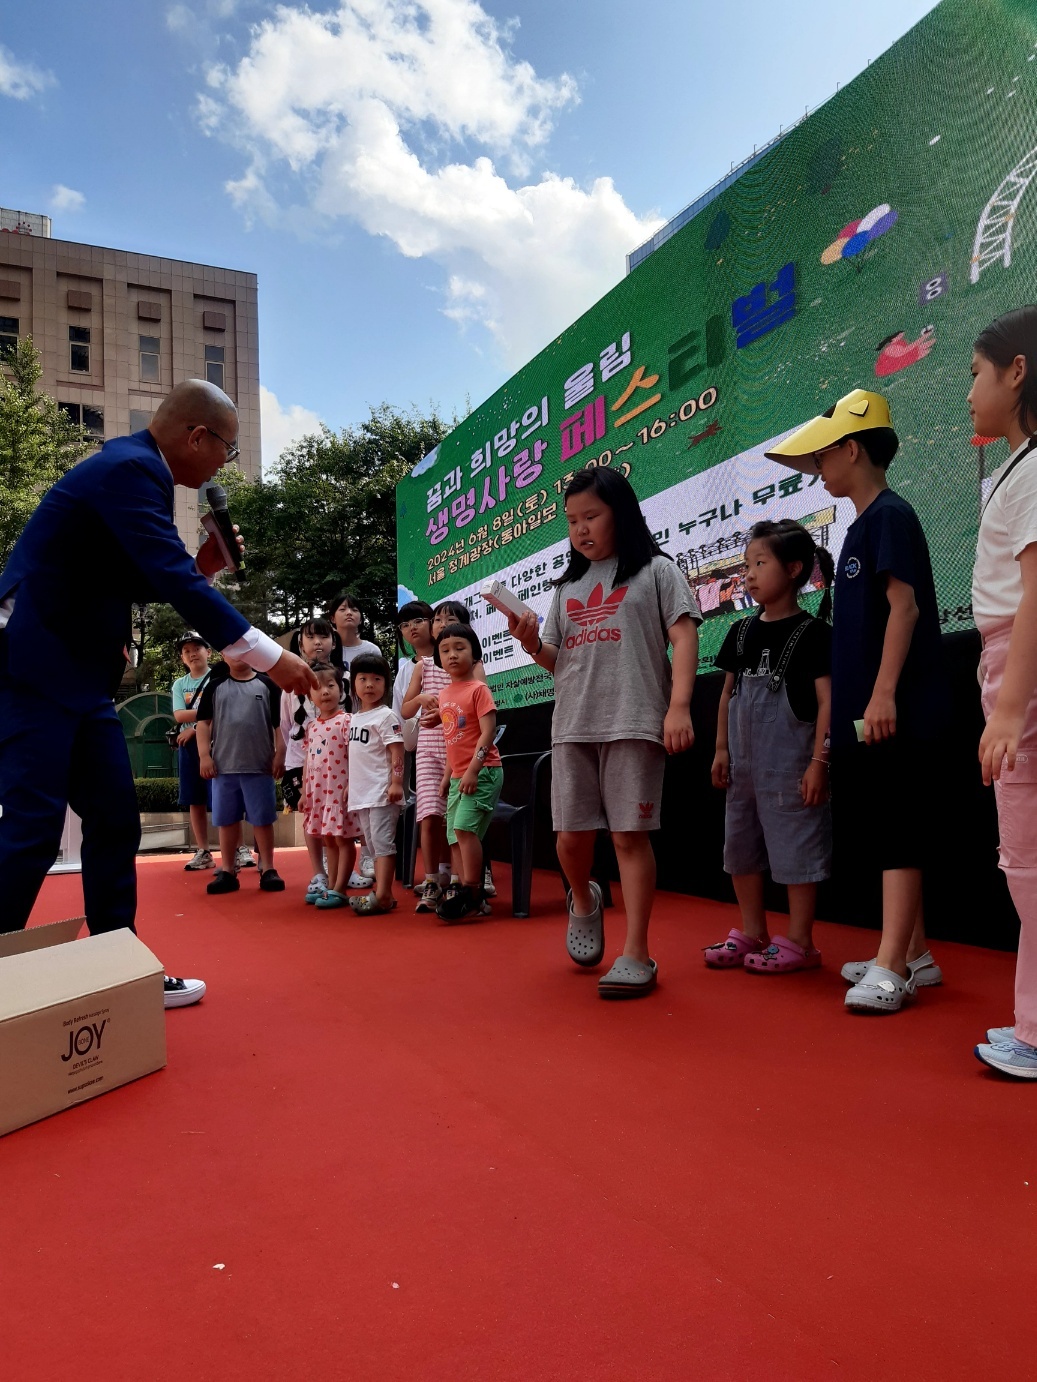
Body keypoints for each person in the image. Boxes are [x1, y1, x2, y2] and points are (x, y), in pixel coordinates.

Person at [0, 379, 316, 1007]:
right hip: (34, 669)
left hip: (81, 681)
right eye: (225, 448)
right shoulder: (130, 470)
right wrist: (271, 656)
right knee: (33, 827)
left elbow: (141, 577)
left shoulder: (135, 470)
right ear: (196, 436)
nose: (225, 462)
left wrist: (205, 564)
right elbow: (168, 578)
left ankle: (119, 969)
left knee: (115, 820)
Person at [765, 388, 948, 1013]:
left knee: (898, 829)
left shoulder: (889, 516)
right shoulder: (863, 525)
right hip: (868, 713)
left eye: (822, 458)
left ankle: (892, 966)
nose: (817, 470)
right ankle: (914, 955)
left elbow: (905, 607)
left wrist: (884, 694)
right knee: (887, 825)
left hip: (893, 707)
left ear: (851, 449)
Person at [508, 468, 701, 999]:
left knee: (628, 837)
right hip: (572, 725)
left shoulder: (658, 570)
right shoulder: (565, 588)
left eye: (591, 516)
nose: (580, 529)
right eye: (572, 520)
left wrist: (679, 706)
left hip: (634, 719)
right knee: (571, 840)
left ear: (622, 512)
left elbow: (685, 638)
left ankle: (636, 952)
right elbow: (556, 660)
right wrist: (530, 643)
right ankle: (584, 898)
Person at [707, 520, 834, 972]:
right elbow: (727, 694)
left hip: (791, 766)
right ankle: (752, 930)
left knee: (796, 847)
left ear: (794, 569)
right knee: (740, 846)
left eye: (760, 563)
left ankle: (801, 941)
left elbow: (828, 701)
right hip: (742, 766)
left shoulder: (814, 633)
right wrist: (721, 750)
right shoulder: (740, 631)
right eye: (747, 565)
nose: (749, 574)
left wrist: (819, 763)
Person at [968, 307, 1037, 1078]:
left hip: (1018, 661)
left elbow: (1033, 592)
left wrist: (1010, 707)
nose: (968, 393)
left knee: (1025, 860)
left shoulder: (1031, 467)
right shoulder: (1018, 466)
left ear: (1016, 371)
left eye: (975, 374)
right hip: (1009, 658)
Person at [400, 600, 489, 912]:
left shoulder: (470, 667)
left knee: (457, 820)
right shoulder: (423, 665)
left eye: (450, 619)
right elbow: (405, 709)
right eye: (437, 619)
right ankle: (432, 880)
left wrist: (447, 708)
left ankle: (459, 882)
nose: (441, 624)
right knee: (429, 813)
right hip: (429, 749)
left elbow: (479, 705)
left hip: (461, 751)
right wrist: (422, 698)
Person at [432, 623, 504, 922]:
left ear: (474, 653)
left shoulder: (478, 689)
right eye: (445, 650)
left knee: (464, 829)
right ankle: (464, 890)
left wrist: (473, 770)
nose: (452, 655)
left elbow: (488, 732)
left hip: (483, 772)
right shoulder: (444, 694)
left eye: (459, 648)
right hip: (458, 776)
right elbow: (453, 740)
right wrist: (447, 776)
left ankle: (473, 892)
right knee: (453, 836)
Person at [196, 656, 285, 894]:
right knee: (226, 820)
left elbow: (280, 725)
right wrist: (204, 756)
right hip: (224, 767)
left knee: (263, 820)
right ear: (223, 655)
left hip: (260, 766)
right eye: (231, 651)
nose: (237, 656)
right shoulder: (215, 686)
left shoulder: (267, 685)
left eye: (243, 651)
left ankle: (268, 868)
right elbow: (203, 723)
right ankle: (227, 870)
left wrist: (280, 754)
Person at [275, 617, 340, 901]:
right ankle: (319, 872)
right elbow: (286, 726)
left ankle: (341, 867)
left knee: (338, 814)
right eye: (310, 637)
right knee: (312, 816)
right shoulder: (290, 683)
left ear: (333, 642)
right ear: (300, 644)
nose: (317, 643)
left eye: (323, 637)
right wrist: (286, 758)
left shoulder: (344, 679)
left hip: (337, 762)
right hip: (300, 761)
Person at [327, 590, 380, 882]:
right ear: (332, 618)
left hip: (364, 729)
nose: (349, 613)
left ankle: (368, 856)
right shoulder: (327, 650)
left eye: (354, 609)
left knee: (367, 793)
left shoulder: (370, 649)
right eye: (343, 608)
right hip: (334, 732)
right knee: (336, 795)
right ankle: (332, 857)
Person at [347, 652, 405, 914]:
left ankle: (382, 894)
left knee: (382, 844)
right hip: (362, 795)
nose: (369, 684)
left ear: (386, 684)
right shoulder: (354, 718)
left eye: (376, 679)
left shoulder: (386, 716)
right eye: (363, 679)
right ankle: (385, 895)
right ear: (354, 684)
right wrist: (350, 785)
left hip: (382, 793)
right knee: (371, 845)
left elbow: (397, 751)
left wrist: (396, 783)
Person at [300, 661, 361, 910]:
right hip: (319, 795)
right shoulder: (311, 726)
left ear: (341, 689)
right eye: (317, 687)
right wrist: (304, 793)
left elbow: (356, 755)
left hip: (339, 793)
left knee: (343, 840)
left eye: (331, 685)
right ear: (309, 695)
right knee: (329, 841)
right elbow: (308, 760)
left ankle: (340, 888)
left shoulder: (347, 721)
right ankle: (333, 885)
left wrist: (352, 784)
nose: (325, 692)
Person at [172, 631, 215, 871]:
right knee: (194, 799)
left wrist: (196, 727)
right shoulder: (179, 684)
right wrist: (206, 716)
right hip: (188, 748)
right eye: (186, 651)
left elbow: (222, 710)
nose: (192, 654)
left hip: (217, 744)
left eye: (197, 649)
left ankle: (238, 848)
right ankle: (203, 850)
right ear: (182, 658)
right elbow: (179, 715)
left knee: (224, 797)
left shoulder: (218, 678)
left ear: (208, 652)